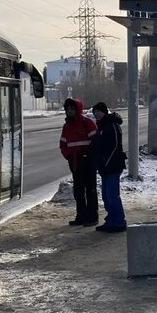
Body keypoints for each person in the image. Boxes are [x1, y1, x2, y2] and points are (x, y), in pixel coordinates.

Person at [60, 97, 98, 226]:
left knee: (90, 190)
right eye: (68, 109)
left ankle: (92, 217)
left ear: (77, 109)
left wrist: (89, 155)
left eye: (72, 109)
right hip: (75, 162)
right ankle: (81, 216)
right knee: (78, 191)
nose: (69, 111)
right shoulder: (67, 126)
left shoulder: (87, 123)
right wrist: (69, 157)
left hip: (88, 161)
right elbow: (63, 144)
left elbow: (96, 141)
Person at [90, 101, 127, 233]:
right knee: (106, 196)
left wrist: (106, 164)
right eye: (95, 113)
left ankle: (119, 222)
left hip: (113, 166)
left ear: (104, 112)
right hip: (105, 167)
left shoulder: (111, 125)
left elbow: (116, 146)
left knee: (112, 195)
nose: (97, 115)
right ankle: (111, 220)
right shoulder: (101, 126)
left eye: (99, 112)